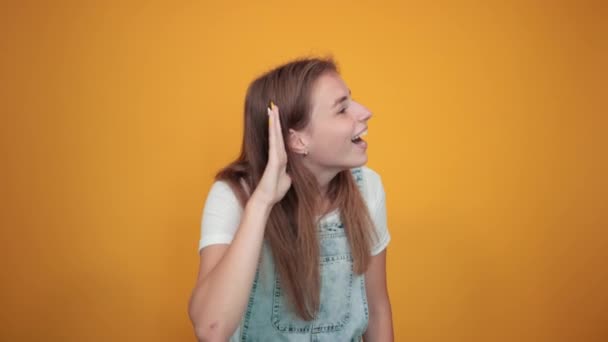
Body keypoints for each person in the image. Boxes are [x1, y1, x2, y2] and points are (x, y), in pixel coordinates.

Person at [188, 57, 393, 341]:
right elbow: (211, 328)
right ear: (298, 141)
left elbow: (378, 308)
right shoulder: (233, 197)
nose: (365, 112)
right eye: (342, 108)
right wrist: (261, 203)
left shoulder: (367, 188)